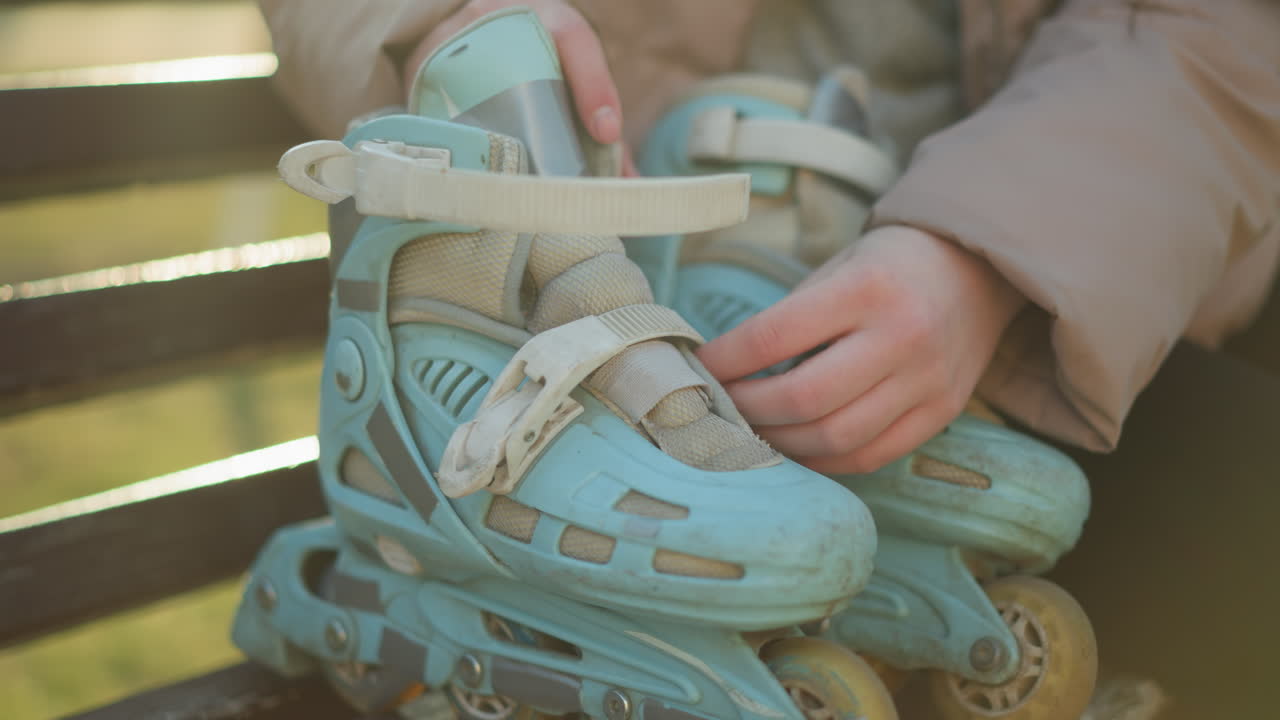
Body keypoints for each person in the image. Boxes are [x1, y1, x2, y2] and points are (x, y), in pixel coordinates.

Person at [256, 0, 1280, 715]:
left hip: (1030, 296)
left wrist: (986, 252)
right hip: (597, 224)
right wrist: (444, 20)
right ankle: (467, 448)